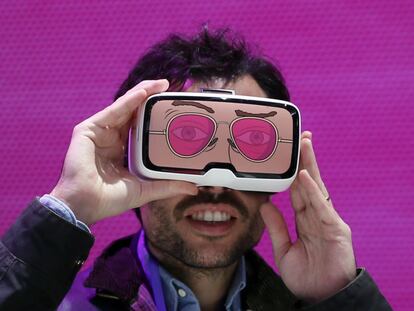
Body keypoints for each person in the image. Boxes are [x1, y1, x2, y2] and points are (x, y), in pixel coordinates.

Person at [0, 28, 392, 311]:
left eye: (254, 141)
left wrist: (339, 297)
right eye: (185, 135)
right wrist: (68, 208)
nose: (214, 179)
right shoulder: (56, 302)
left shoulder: (322, 302)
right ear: (129, 151)